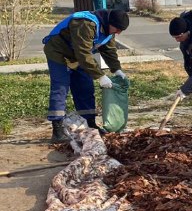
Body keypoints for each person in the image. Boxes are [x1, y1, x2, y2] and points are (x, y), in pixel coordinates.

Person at [43, 9, 129, 142]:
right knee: (61, 87)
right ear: (109, 22)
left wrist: (117, 69)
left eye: (120, 30)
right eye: (117, 29)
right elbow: (83, 53)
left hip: (77, 56)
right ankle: (57, 130)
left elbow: (109, 50)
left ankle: (90, 124)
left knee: (85, 87)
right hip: (58, 52)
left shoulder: (109, 30)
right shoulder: (85, 23)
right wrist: (100, 76)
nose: (118, 32)